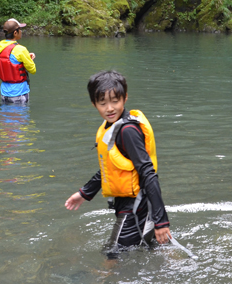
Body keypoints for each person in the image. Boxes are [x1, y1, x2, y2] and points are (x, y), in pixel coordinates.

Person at [65, 70, 172, 251]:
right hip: (137, 204)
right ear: (94, 104)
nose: (110, 108)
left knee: (112, 257)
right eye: (103, 103)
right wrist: (85, 193)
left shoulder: (127, 131)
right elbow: (111, 167)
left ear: (125, 98)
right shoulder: (111, 128)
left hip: (134, 207)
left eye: (115, 101)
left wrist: (161, 221)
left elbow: (148, 173)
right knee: (154, 250)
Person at [0, 18, 36, 104]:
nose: (21, 31)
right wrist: (29, 59)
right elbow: (32, 70)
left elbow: (11, 60)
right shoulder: (20, 49)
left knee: (6, 116)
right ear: (15, 33)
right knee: (21, 117)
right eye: (20, 29)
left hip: (4, 92)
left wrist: (26, 57)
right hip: (19, 93)